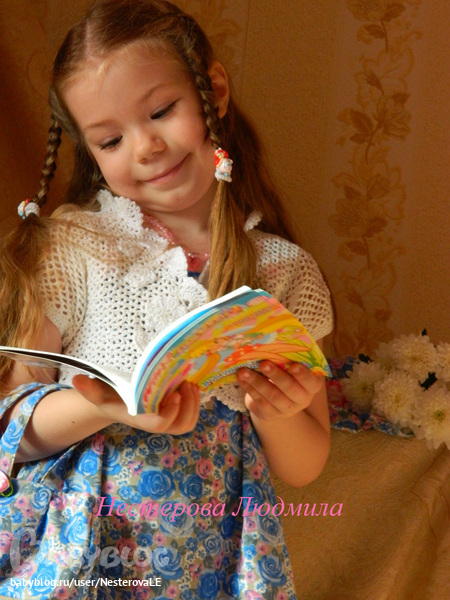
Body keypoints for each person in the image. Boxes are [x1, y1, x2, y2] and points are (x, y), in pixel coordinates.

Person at [0, 0, 333, 597]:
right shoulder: (72, 248)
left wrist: (277, 409)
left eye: (160, 111)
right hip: (84, 556)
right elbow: (11, 426)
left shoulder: (285, 271)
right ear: (90, 152)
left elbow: (304, 467)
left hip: (215, 564)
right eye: (110, 140)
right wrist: (109, 408)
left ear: (213, 91)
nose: (146, 146)